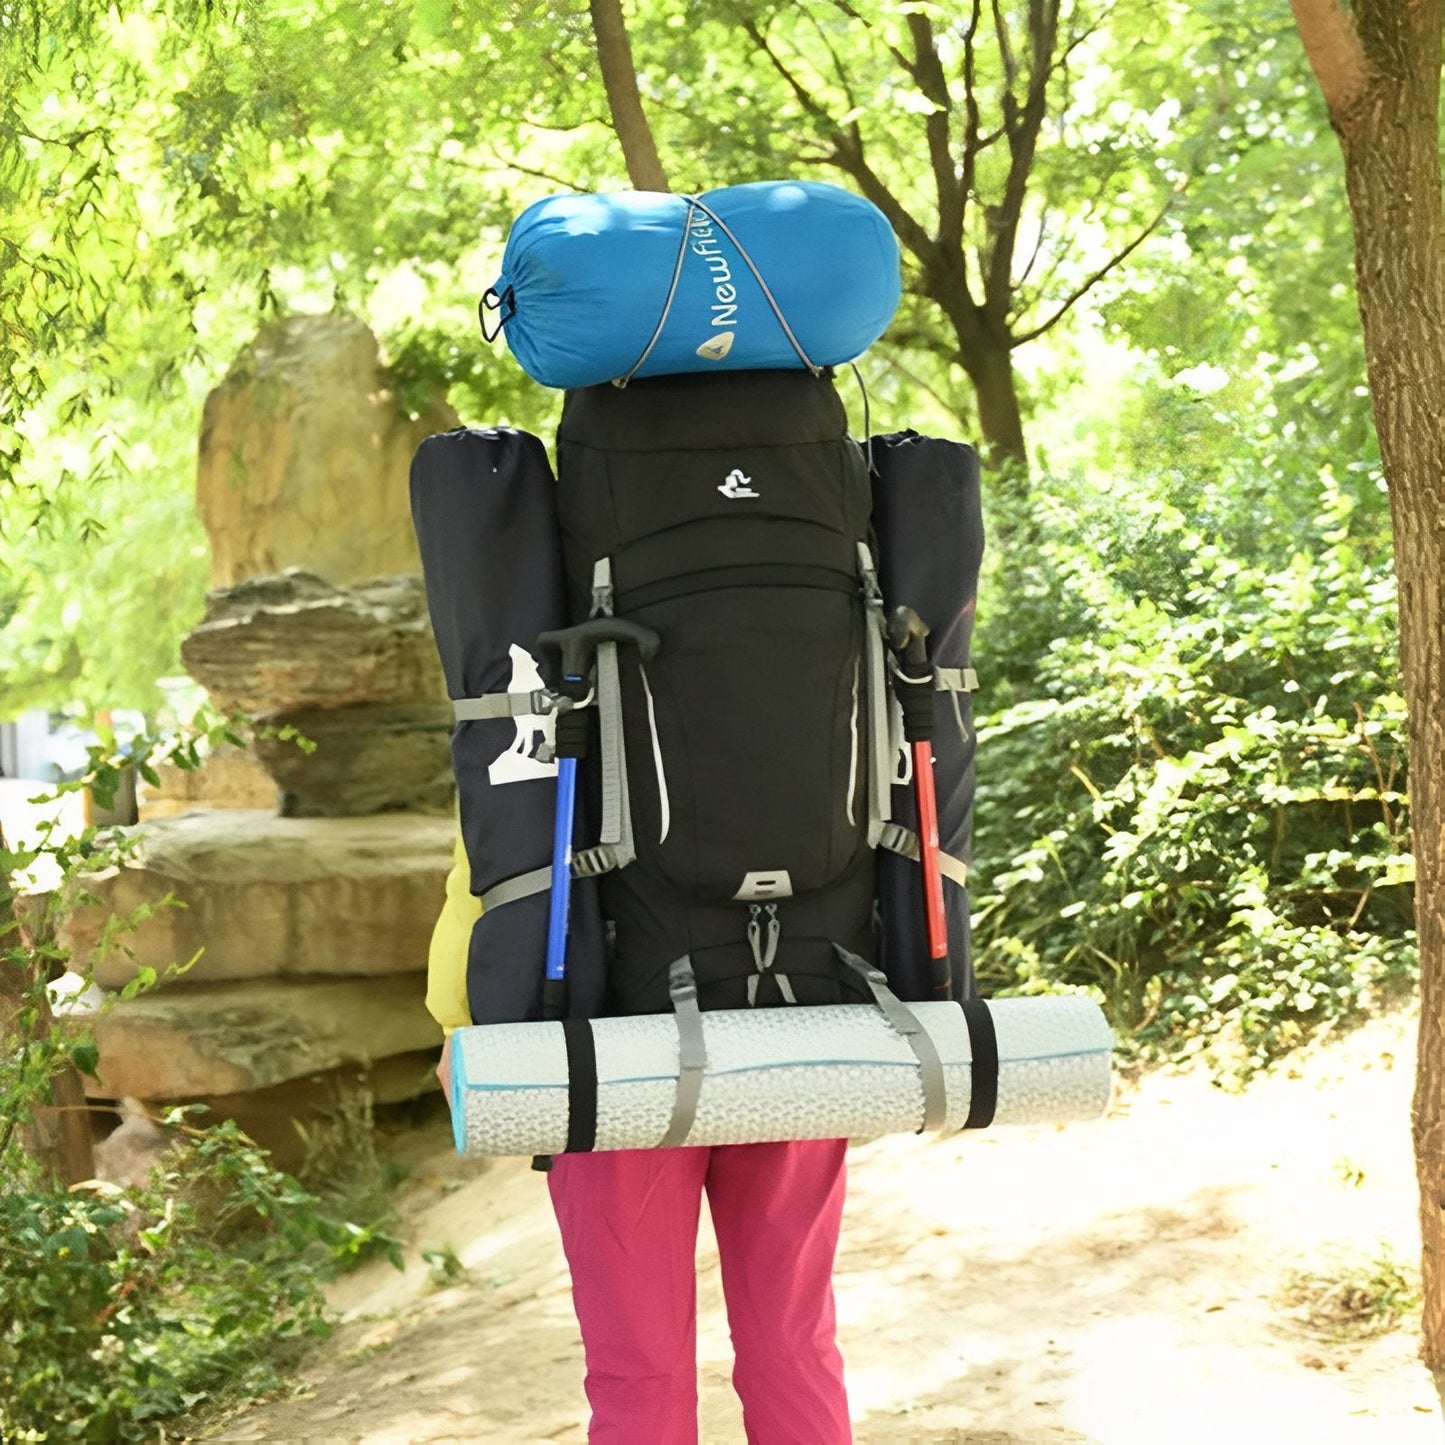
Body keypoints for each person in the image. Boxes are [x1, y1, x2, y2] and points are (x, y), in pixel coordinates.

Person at [428, 830, 854, 1444]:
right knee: (794, 1341)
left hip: (606, 1057)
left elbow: (496, 851)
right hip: (785, 1028)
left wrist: (457, 1019)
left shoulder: (551, 724)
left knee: (638, 1362)